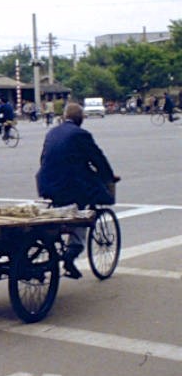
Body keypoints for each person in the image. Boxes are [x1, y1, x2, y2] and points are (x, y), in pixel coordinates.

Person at [35, 102, 119, 279]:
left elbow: (43, 159)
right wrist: (109, 177)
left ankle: (52, 241)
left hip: (46, 183)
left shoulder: (52, 132)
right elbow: (98, 158)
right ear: (80, 119)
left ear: (65, 116)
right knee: (82, 213)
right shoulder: (81, 135)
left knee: (61, 209)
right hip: (70, 186)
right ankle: (72, 252)